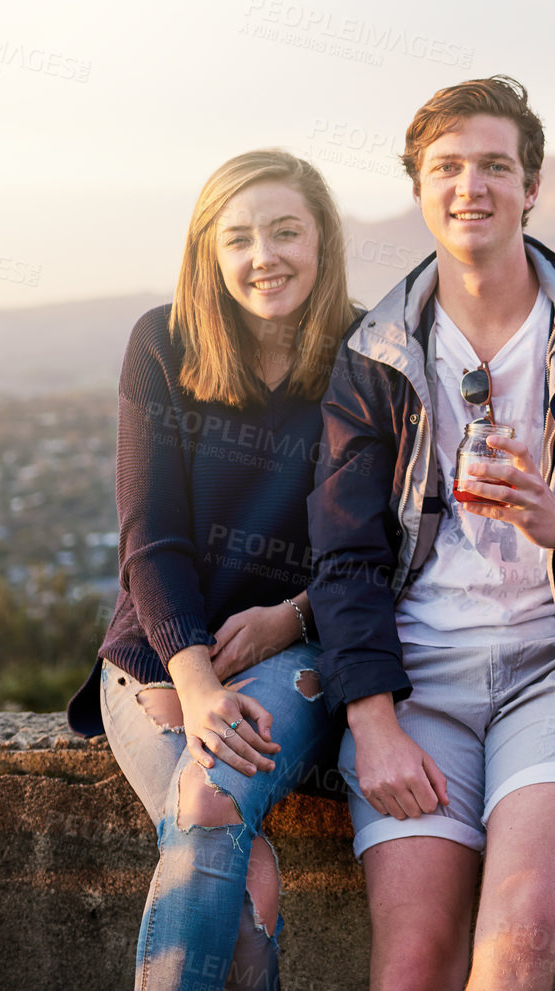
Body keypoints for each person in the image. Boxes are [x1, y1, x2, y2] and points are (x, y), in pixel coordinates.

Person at [307, 75, 555, 990]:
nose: (470, 187)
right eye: (447, 167)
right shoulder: (375, 356)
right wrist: (371, 721)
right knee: (411, 965)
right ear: (418, 188)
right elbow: (344, 556)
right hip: (419, 687)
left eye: (495, 165)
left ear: (532, 186)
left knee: (517, 945)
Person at [66, 149, 358, 991]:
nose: (262, 254)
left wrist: (292, 616)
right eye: (238, 237)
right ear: (208, 251)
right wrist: (192, 679)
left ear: (322, 241)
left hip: (300, 650)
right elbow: (149, 536)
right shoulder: (162, 341)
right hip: (163, 651)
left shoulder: (365, 354)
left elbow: (384, 538)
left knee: (208, 804)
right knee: (239, 861)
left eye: (285, 230)